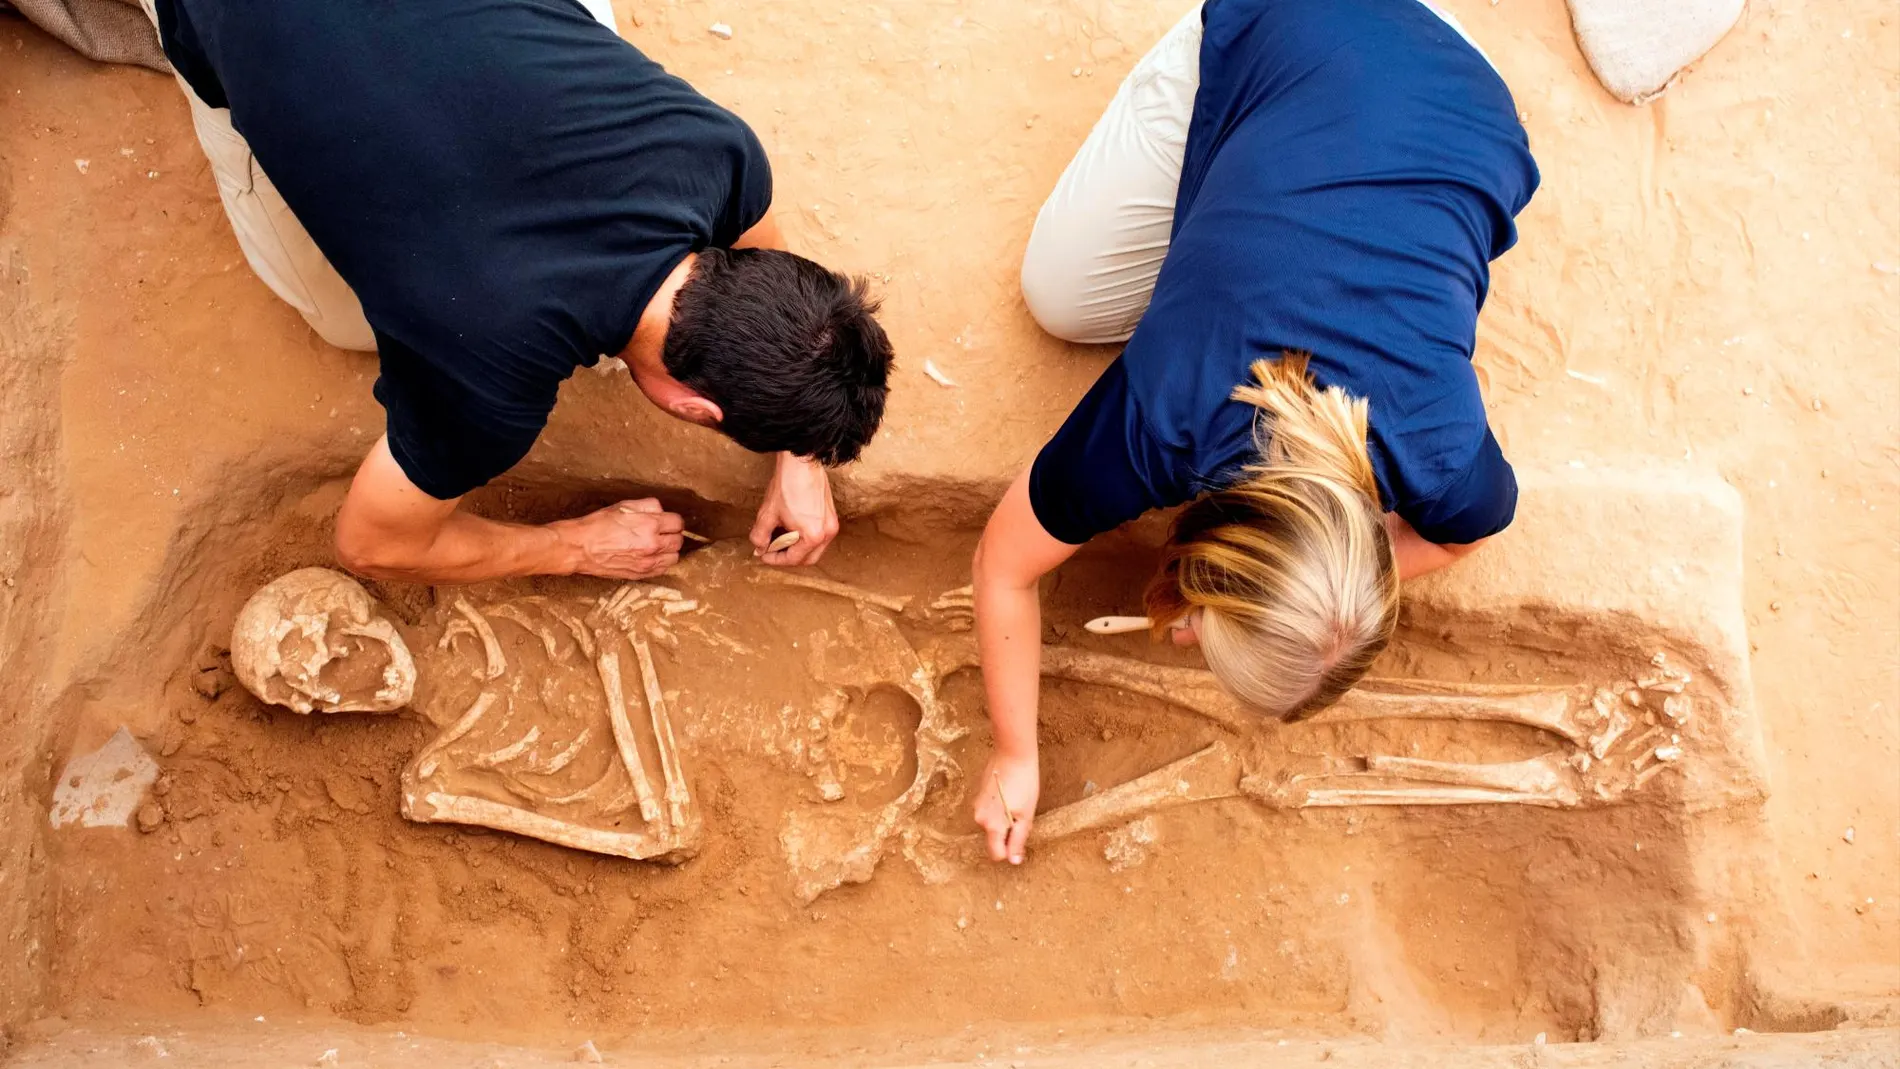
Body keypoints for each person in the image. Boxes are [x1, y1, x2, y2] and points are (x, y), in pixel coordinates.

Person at [970, 0, 1540, 864]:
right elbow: (1005, 564)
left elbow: (1466, 535)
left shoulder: (1445, 451)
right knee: (1064, 299)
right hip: (1295, 27)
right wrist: (1015, 752)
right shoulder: (1169, 409)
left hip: (1459, 91)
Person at [139, 0, 894, 583]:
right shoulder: (487, 379)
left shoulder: (716, 155)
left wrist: (803, 448)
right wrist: (573, 546)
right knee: (346, 323)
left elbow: (763, 253)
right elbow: (371, 542)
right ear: (692, 407)